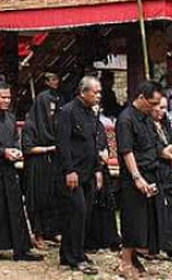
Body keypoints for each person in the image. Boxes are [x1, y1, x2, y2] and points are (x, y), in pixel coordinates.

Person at [0, 81, 42, 263]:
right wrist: (2, 152)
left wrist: (15, 150)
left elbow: (14, 139)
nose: (7, 100)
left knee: (15, 208)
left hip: (9, 168)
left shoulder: (10, 118)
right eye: (3, 97)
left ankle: (21, 248)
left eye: (9, 97)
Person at [56, 75, 103, 275]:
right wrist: (69, 170)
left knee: (85, 214)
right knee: (77, 212)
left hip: (89, 170)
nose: (98, 95)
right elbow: (63, 143)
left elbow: (94, 141)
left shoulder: (92, 112)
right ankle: (75, 256)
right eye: (95, 92)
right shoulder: (68, 112)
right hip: (73, 171)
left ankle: (70, 253)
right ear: (83, 92)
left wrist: (98, 169)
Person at [116, 80, 163, 278]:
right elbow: (127, 151)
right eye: (152, 103)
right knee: (133, 220)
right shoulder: (126, 119)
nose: (155, 107)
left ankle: (135, 258)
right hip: (134, 175)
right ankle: (124, 263)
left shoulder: (145, 117)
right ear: (141, 98)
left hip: (151, 170)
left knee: (147, 220)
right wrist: (137, 178)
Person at [22, 78, 63, 249]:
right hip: (37, 165)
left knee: (54, 198)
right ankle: (38, 233)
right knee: (37, 199)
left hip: (53, 164)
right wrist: (48, 149)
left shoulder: (55, 125)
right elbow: (28, 148)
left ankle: (52, 231)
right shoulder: (31, 124)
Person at [148, 95, 172, 260]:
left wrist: (170, 149)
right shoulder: (146, 125)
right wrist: (163, 152)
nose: (163, 112)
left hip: (168, 168)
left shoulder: (165, 123)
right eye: (160, 108)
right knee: (159, 208)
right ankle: (160, 246)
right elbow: (154, 148)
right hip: (155, 169)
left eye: (165, 108)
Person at [85, 103, 120, 253]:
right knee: (90, 205)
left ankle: (109, 238)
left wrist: (105, 153)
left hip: (102, 168)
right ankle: (90, 241)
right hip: (88, 169)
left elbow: (103, 144)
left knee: (106, 203)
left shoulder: (99, 125)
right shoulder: (83, 125)